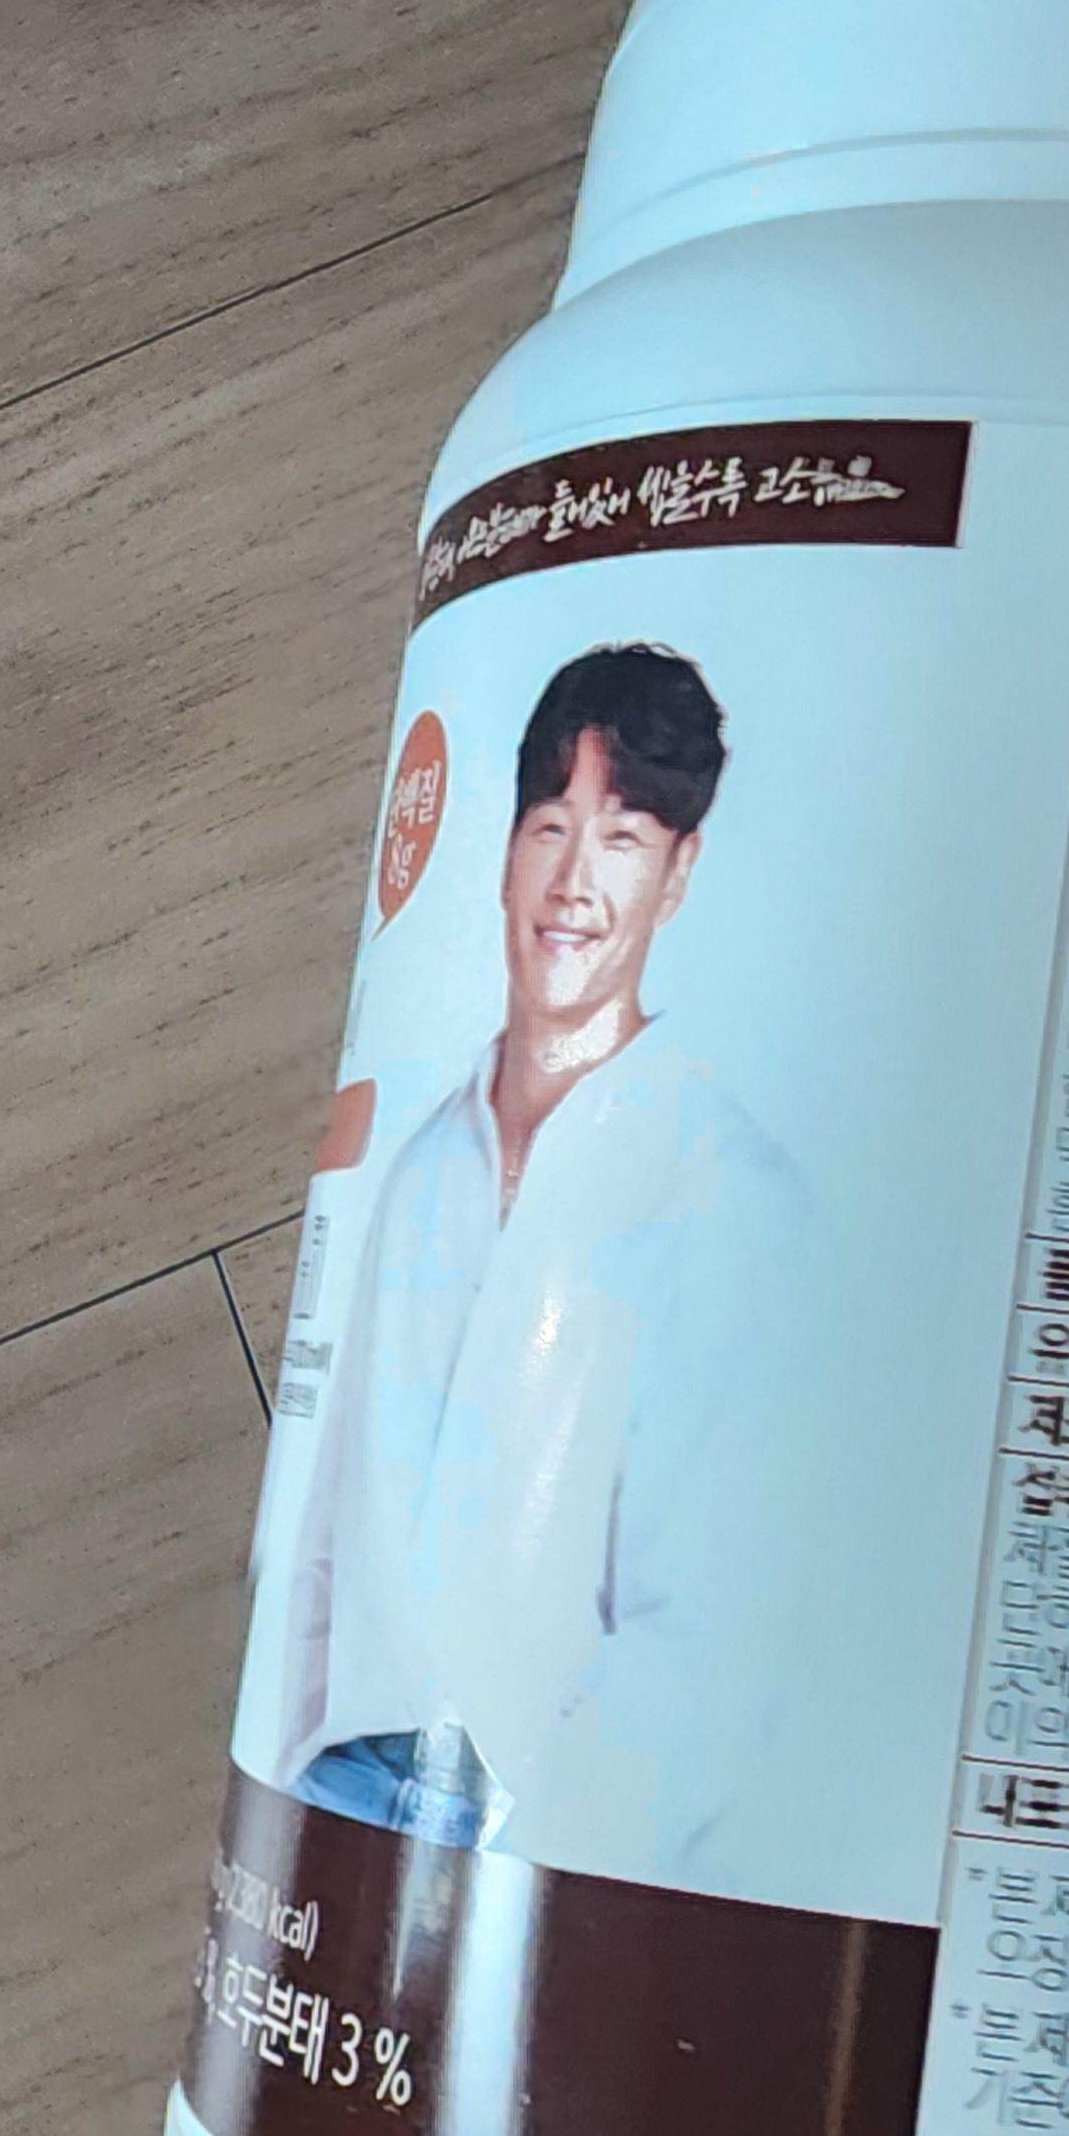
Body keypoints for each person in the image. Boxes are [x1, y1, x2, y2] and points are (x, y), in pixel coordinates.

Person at [270, 643, 807, 1872]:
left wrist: (542, 1860)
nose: (573, 882)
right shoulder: (419, 1167)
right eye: (550, 827)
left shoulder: (727, 1194)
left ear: (678, 874)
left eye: (622, 838)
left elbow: (714, 1633)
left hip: (532, 1842)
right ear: (507, 850)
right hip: (333, 1792)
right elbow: (322, 1537)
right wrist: (288, 1775)